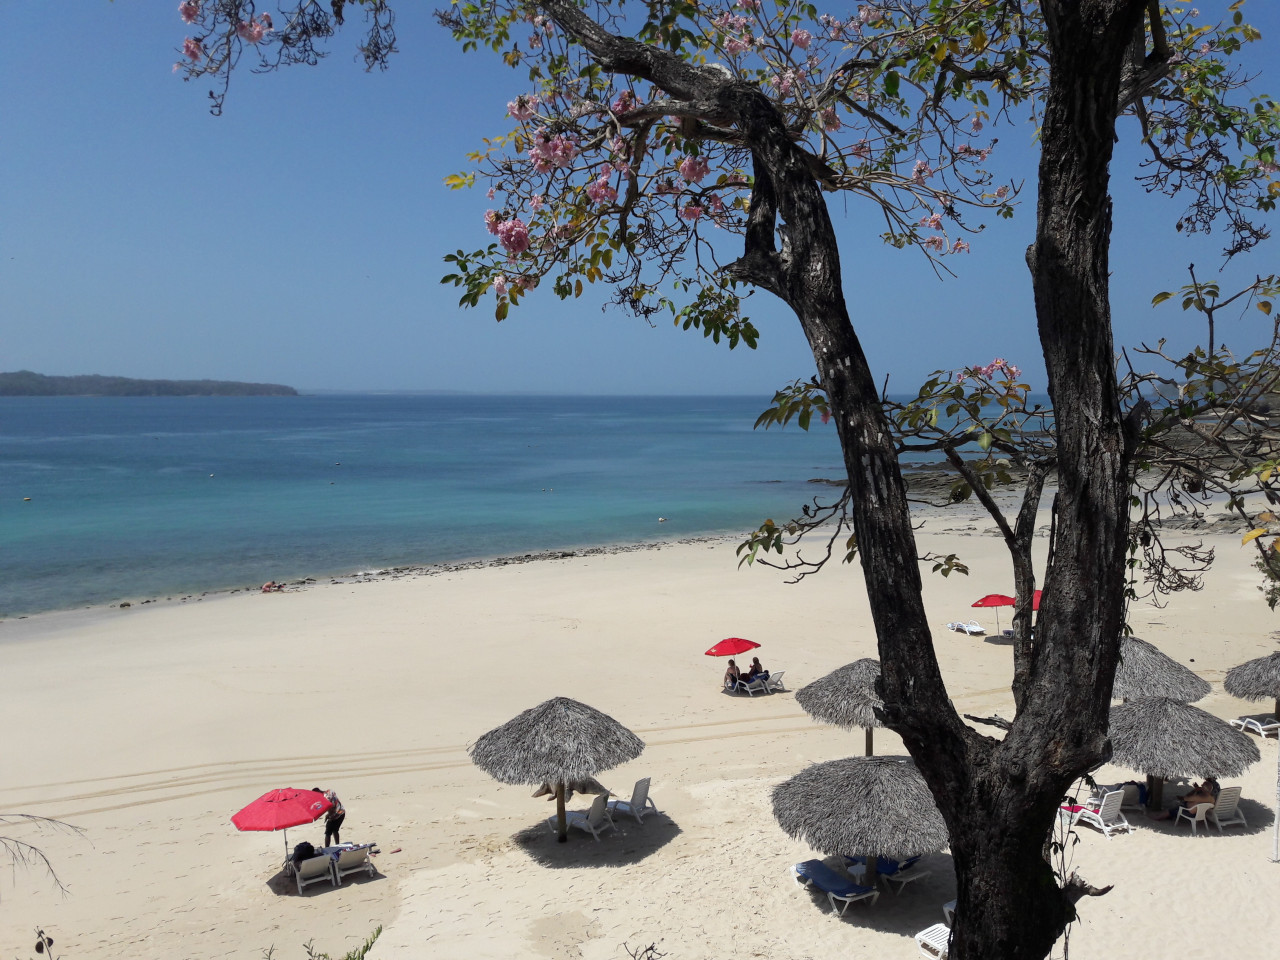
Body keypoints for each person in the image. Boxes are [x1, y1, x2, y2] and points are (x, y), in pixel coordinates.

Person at [1150, 779, 1216, 821]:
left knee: (1176, 808)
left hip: (1190, 813)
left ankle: (1158, 817)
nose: (1201, 786)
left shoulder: (1197, 797)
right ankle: (1168, 816)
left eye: (1202, 786)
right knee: (1178, 807)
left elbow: (1185, 798)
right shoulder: (1212, 798)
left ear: (1203, 788)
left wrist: (1195, 790)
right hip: (1201, 814)